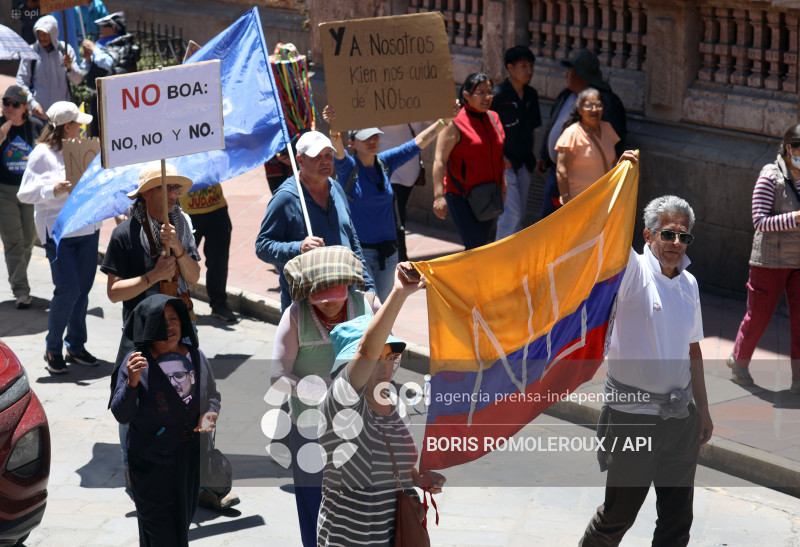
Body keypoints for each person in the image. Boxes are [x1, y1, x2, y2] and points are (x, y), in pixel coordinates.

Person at [580, 192, 714, 547]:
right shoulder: (631, 271)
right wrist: (622, 174)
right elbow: (605, 228)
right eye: (667, 234)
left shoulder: (690, 284)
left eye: (683, 236)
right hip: (632, 418)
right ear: (648, 235)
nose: (675, 243)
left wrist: (702, 411)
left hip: (680, 418)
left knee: (677, 519)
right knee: (618, 515)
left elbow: (693, 350)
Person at [317, 264, 445, 545]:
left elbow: (396, 468)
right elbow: (365, 349)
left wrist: (418, 478)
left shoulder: (395, 403)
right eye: (378, 358)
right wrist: (398, 294)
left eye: (391, 357)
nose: (386, 366)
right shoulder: (341, 403)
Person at [271, 245, 378, 546]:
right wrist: (325, 393)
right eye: (322, 301)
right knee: (315, 503)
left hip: (359, 425)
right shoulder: (294, 316)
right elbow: (277, 377)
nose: (331, 307)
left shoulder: (365, 306)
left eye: (336, 300)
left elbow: (383, 356)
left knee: (359, 506)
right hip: (310, 428)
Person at [110, 294, 221, 546]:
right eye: (161, 320)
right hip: (150, 464)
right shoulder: (136, 363)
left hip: (188, 461)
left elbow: (212, 396)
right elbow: (122, 414)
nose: (170, 326)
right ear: (148, 326)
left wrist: (209, 414)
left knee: (179, 526)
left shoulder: (196, 356)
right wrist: (132, 382)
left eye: (174, 318)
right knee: (163, 533)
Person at [321, 106, 452, 302]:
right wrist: (333, 126)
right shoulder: (347, 166)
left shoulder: (385, 162)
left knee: (383, 310)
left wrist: (443, 121)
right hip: (360, 255)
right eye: (365, 138)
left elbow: (417, 144)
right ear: (352, 143)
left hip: (389, 254)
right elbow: (337, 147)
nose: (372, 141)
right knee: (367, 309)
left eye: (375, 136)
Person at [17, 101, 100, 375]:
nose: (82, 127)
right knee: (68, 290)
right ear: (67, 127)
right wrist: (52, 188)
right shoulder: (42, 153)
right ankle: (53, 348)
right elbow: (24, 193)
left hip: (87, 229)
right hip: (58, 232)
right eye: (78, 123)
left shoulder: (84, 148)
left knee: (82, 291)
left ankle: (75, 345)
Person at [255, 130, 375, 311]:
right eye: (317, 157)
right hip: (305, 307)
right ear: (300, 160)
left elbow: (352, 240)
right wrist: (298, 247)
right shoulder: (286, 198)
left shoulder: (336, 188)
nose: (325, 161)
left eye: (328, 155)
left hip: (345, 300)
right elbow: (262, 247)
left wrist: (367, 285)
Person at [727, 125, 800, 394]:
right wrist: (795, 218)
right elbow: (760, 221)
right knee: (758, 317)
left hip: (798, 262)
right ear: (789, 149)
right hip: (769, 261)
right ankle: (739, 362)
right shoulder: (770, 176)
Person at [537, 49, 627, 217]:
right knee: (548, 226)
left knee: (576, 227)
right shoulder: (566, 95)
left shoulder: (607, 103)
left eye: (570, 72)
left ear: (580, 76)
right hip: (556, 174)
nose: (566, 75)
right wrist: (544, 154)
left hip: (584, 181)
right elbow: (552, 124)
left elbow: (613, 144)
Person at [433, 72, 505, 250]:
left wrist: (503, 185)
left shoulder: (494, 118)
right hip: (461, 196)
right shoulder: (455, 123)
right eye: (480, 92)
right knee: (476, 247)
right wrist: (438, 196)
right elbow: (439, 160)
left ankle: (472, 278)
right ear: (466, 95)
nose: (487, 97)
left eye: (489, 92)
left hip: (490, 194)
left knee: (479, 247)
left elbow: (498, 155)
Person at [491, 46, 542, 240]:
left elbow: (532, 130)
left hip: (525, 162)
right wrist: (499, 156)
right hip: (505, 163)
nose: (529, 71)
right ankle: (498, 260)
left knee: (520, 216)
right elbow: (489, 128)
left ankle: (514, 260)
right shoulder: (498, 94)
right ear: (510, 68)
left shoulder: (532, 95)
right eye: (523, 66)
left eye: (531, 66)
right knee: (510, 215)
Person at [0, 85, 43, 309]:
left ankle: (18, 279)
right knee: (13, 241)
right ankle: (21, 290)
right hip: (4, 192)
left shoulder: (36, 127)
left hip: (30, 191)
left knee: (28, 240)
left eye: (15, 103)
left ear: (25, 107)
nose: (9, 107)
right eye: (5, 102)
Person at [179, 184, 236, 322]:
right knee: (182, 260)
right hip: (187, 210)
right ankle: (180, 304)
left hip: (217, 207)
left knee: (219, 261)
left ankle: (219, 304)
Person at [555, 87, 621, 204]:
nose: (594, 109)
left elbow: (612, 161)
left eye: (598, 105)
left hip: (605, 201)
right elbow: (561, 170)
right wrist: (565, 198)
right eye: (589, 105)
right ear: (580, 110)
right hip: (580, 203)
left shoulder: (607, 128)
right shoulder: (572, 134)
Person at [80, 12, 139, 137]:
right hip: (96, 97)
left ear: (113, 28)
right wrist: (88, 59)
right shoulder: (101, 43)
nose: (101, 29)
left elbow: (109, 64)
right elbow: (86, 70)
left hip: (112, 99)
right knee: (96, 136)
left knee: (112, 135)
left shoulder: (121, 44)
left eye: (104, 26)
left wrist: (94, 50)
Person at [16, 14, 84, 121]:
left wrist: (70, 67)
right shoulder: (31, 52)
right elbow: (21, 81)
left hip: (61, 115)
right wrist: (32, 104)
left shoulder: (66, 50)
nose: (42, 38)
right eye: (39, 34)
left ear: (53, 33)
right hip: (39, 114)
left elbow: (78, 80)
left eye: (45, 34)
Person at [376, 123, 425, 261]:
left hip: (394, 168)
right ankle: (400, 257)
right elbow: (418, 130)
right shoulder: (409, 107)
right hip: (403, 167)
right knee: (397, 214)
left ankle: (400, 258)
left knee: (396, 216)